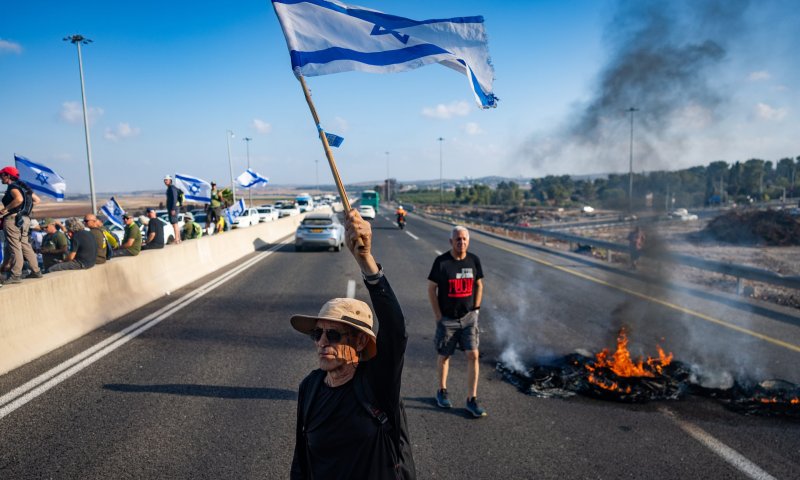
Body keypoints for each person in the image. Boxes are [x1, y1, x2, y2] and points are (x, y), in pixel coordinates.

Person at [290, 209, 416, 480]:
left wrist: (366, 262)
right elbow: (302, 457)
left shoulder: (376, 385)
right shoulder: (309, 388)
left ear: (360, 341)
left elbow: (395, 331)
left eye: (333, 335)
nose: (322, 342)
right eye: (317, 334)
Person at [427, 225, 486, 417]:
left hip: (469, 318)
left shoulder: (473, 260)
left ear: (468, 241)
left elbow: (479, 284)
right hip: (447, 320)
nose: (461, 242)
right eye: (457, 239)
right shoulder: (442, 262)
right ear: (451, 242)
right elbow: (431, 289)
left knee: (473, 355)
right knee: (445, 355)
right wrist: (437, 315)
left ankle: (472, 399)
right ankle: (442, 390)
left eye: (464, 239)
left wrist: (476, 309)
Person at [0, 165, 43, 283]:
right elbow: (37, 200)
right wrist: (25, 209)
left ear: (7, 176)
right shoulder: (24, 187)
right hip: (25, 219)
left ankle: (15, 275)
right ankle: (36, 271)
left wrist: (5, 209)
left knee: (15, 246)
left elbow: (19, 199)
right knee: (25, 244)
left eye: (1, 175)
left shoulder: (12, 187)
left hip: (13, 219)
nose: (0, 178)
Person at [163, 175, 181, 244]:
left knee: (175, 224)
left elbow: (174, 198)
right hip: (172, 208)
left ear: (170, 180)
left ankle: (176, 239)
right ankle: (178, 238)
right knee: (175, 223)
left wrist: (173, 208)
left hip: (173, 208)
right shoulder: (169, 188)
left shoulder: (172, 188)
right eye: (164, 180)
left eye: (166, 180)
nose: (165, 181)